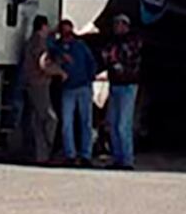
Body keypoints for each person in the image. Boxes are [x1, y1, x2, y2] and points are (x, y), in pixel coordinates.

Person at [51, 18, 99, 166]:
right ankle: (70, 154)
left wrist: (89, 78)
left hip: (83, 86)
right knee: (67, 122)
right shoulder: (57, 48)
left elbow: (92, 62)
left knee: (86, 121)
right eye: (64, 31)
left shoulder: (80, 46)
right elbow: (48, 44)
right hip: (68, 88)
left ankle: (86, 154)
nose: (67, 34)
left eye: (69, 31)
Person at [100, 13, 143, 170]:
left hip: (128, 85)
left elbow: (127, 56)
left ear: (126, 25)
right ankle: (117, 158)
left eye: (120, 24)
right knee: (112, 123)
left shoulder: (133, 41)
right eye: (115, 24)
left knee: (123, 124)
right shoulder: (112, 42)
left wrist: (115, 58)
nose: (117, 27)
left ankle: (127, 159)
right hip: (115, 84)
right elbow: (105, 55)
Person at [20, 15, 62, 164]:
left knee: (37, 120)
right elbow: (44, 64)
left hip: (31, 83)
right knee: (50, 118)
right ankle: (48, 149)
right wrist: (60, 72)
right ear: (43, 26)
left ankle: (40, 155)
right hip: (39, 84)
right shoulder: (40, 43)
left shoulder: (31, 41)